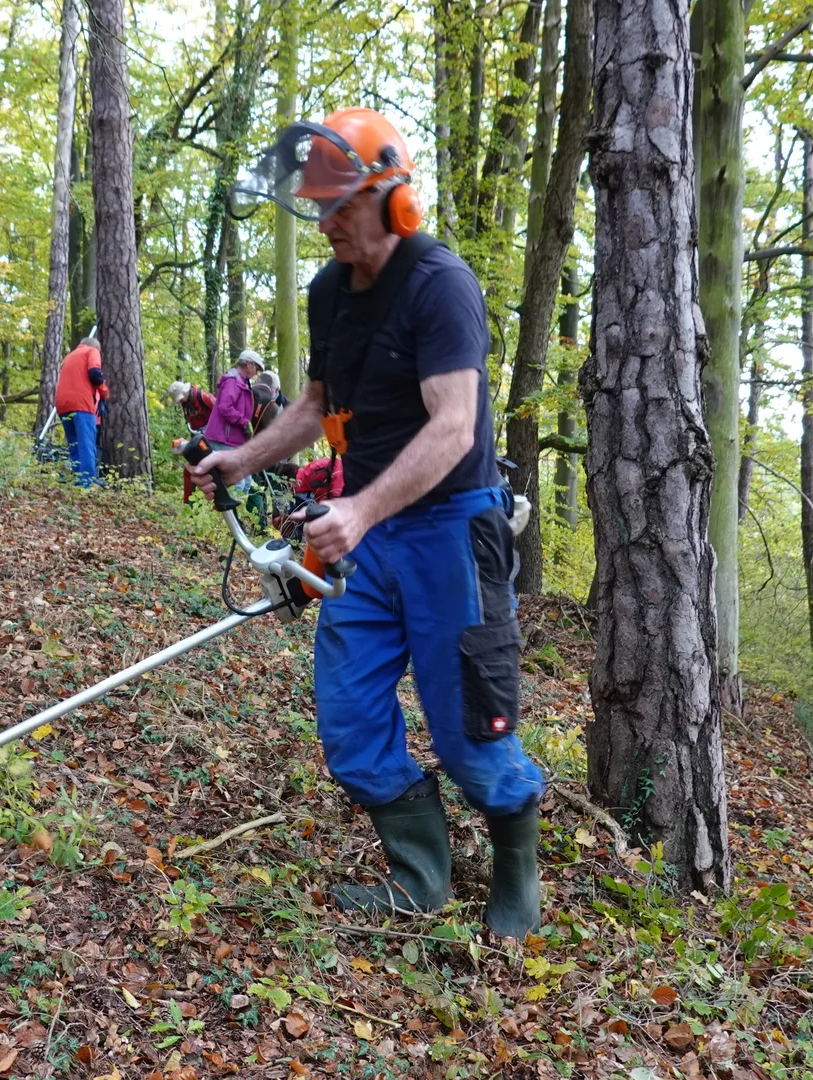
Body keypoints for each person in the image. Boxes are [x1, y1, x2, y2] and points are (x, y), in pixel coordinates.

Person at [191, 107, 544, 936]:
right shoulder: (326, 292)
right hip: (366, 535)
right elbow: (315, 404)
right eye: (317, 207)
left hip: (452, 531)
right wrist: (241, 458)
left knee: (468, 734)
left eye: (340, 206)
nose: (325, 223)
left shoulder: (440, 285)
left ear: (391, 199)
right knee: (349, 719)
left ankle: (516, 867)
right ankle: (419, 875)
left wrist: (359, 505)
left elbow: (454, 424)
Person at [55, 335, 108, 486]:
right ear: (95, 347)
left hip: (63, 404)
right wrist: (104, 392)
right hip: (81, 404)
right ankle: (87, 483)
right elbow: (95, 373)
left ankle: (79, 481)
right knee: (86, 444)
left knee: (74, 445)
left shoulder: (69, 357)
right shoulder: (91, 351)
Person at [202, 349, 262, 452]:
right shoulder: (232, 382)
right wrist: (244, 422)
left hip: (228, 440)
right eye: (256, 369)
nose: (256, 373)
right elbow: (225, 407)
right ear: (248, 364)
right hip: (222, 441)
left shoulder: (240, 382)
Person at [167, 381, 216, 504]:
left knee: (211, 470)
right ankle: (190, 503)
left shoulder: (204, 398)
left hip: (214, 438)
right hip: (198, 439)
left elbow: (221, 412)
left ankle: (216, 503)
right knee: (190, 470)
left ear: (185, 393)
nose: (181, 403)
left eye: (181, 399)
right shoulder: (186, 406)